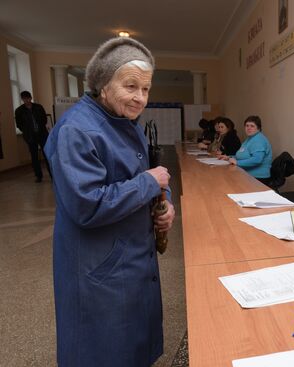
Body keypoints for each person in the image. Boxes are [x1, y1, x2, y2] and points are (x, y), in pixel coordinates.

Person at [44, 37, 175, 367]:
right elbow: (87, 205)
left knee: (131, 341)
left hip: (130, 253)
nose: (140, 98)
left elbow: (144, 175)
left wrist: (165, 204)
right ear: (103, 84)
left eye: (145, 89)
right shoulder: (76, 130)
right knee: (101, 346)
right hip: (98, 262)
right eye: (131, 86)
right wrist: (150, 183)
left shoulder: (125, 123)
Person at [220, 115, 272, 185]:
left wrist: (237, 163)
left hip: (257, 178)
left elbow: (257, 160)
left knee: (227, 182)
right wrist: (229, 157)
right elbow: (242, 155)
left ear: (258, 128)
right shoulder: (250, 139)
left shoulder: (258, 140)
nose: (249, 128)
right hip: (246, 174)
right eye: (247, 126)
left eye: (252, 126)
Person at [15, 90, 51, 182]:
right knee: (34, 156)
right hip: (30, 136)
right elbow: (19, 124)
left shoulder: (38, 107)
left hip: (42, 134)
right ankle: (38, 176)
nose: (26, 100)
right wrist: (26, 132)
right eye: (24, 99)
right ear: (22, 99)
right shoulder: (19, 111)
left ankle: (52, 174)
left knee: (47, 154)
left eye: (28, 98)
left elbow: (44, 119)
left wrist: (40, 128)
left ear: (31, 98)